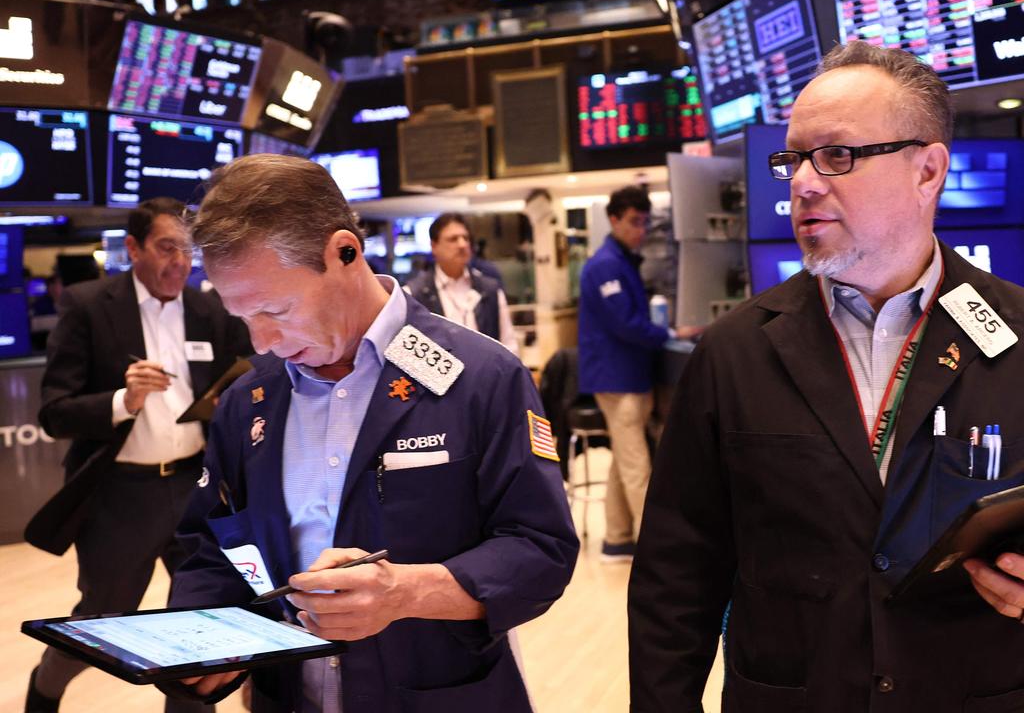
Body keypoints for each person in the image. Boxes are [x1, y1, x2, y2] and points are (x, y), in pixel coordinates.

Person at [629, 40, 1024, 712]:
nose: (803, 183)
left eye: (837, 156)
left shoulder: (1017, 333)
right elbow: (677, 576)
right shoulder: (735, 353)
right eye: (793, 160)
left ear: (927, 171)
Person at [163, 155, 578, 712]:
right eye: (243, 318)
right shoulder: (248, 401)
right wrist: (203, 650)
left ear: (345, 252)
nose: (262, 342)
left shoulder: (478, 377)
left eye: (276, 309)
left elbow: (540, 550)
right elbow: (214, 551)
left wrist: (406, 593)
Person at [25, 197, 252, 713]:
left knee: (203, 625)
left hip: (194, 487)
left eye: (188, 250)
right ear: (132, 248)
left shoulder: (208, 309)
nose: (179, 262)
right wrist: (121, 401)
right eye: (166, 247)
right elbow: (54, 413)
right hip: (120, 496)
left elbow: (249, 368)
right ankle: (45, 688)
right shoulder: (88, 306)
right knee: (104, 618)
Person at [577, 186, 698, 562]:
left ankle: (617, 539)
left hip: (628, 375)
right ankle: (657, 554)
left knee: (624, 460)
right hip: (617, 378)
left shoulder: (623, 259)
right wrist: (669, 333)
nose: (640, 230)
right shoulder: (605, 265)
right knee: (637, 467)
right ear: (613, 220)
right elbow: (626, 324)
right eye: (633, 222)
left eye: (644, 222)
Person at [405, 212, 520, 354]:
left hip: (486, 373)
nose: (462, 244)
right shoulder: (414, 294)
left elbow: (509, 345)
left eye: (466, 238)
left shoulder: (490, 289)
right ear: (434, 246)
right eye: (453, 239)